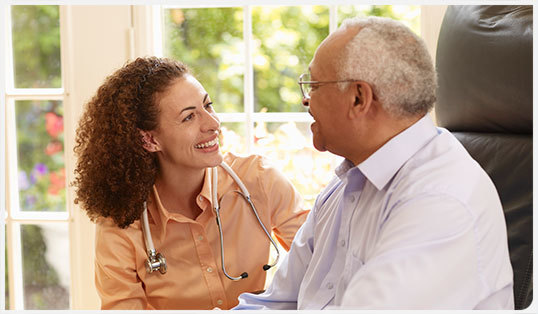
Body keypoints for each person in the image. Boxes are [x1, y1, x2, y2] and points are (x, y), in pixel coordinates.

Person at [234, 16, 514, 310]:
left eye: (313, 85)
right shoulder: (342, 187)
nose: (305, 100)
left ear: (358, 98)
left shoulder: (441, 199)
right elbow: (276, 304)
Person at [72, 56, 309, 310]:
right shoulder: (121, 221)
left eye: (208, 106)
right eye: (189, 117)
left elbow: (322, 263)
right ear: (149, 140)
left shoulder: (260, 179)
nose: (213, 124)